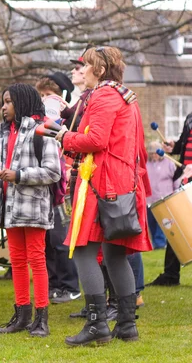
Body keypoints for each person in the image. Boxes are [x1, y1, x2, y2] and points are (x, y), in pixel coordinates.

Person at [56, 46, 152, 346]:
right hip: (121, 182)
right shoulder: (123, 95)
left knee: (84, 250)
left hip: (102, 183)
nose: (81, 70)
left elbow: (95, 140)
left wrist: (63, 136)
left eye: (86, 65)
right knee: (114, 254)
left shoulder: (104, 95)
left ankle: (98, 325)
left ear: (99, 70)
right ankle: (126, 326)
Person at [0, 84, 61, 338]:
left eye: (8, 101)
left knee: (37, 260)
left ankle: (41, 318)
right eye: (3, 101)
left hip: (33, 207)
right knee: (17, 262)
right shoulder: (4, 132)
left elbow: (54, 172)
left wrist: (18, 175)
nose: (4, 106)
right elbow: (6, 166)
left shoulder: (45, 128)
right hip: (10, 206)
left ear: (21, 102)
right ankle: (22, 315)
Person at [35, 75, 81, 305]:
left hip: (64, 185)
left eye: (47, 95)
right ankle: (53, 284)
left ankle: (70, 286)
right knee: (47, 239)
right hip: (47, 185)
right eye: (41, 96)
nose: (45, 100)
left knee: (60, 238)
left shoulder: (68, 119)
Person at [146, 112, 192, 287]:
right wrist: (173, 146)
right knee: (177, 225)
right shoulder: (189, 118)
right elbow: (182, 146)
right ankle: (171, 275)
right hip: (186, 179)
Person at [145, 141, 177, 249]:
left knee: (162, 223)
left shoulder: (169, 163)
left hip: (164, 199)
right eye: (151, 153)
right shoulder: (145, 164)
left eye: (155, 153)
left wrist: (175, 194)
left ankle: (160, 244)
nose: (154, 155)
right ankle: (156, 243)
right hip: (149, 200)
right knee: (151, 223)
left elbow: (176, 179)